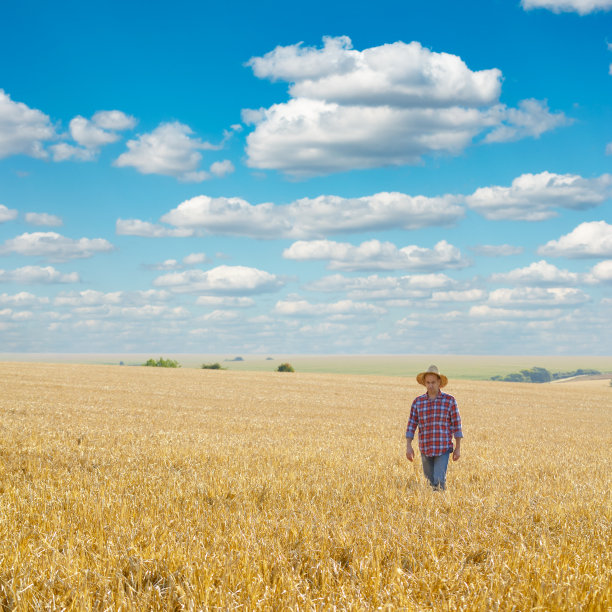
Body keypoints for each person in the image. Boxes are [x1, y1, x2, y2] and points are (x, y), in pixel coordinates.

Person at [405, 365, 463, 490]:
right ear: (424, 383)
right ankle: (433, 506)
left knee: (439, 480)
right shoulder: (418, 402)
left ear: (439, 383)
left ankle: (441, 506)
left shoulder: (450, 401)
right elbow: (411, 425)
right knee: (429, 482)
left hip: (443, 448)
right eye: (428, 382)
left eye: (433, 382)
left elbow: (457, 425)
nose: (430, 385)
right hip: (425, 448)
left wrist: (458, 448)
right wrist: (408, 446)